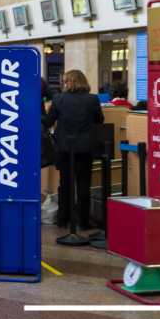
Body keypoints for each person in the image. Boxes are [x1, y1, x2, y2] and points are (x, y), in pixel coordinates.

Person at [43, 69, 104, 237]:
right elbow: (100, 120)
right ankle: (83, 222)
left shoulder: (59, 99)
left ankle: (64, 219)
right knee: (84, 185)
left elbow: (49, 122)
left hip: (64, 148)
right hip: (85, 149)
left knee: (66, 185)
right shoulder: (92, 99)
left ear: (68, 82)